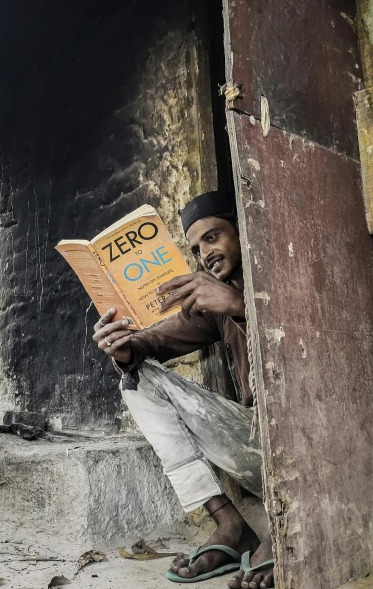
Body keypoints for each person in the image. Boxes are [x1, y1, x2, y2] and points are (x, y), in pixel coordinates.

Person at [93, 191, 275, 589]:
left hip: (310, 451)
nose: (205, 253)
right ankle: (230, 525)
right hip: (256, 446)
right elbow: (152, 343)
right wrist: (123, 347)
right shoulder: (211, 301)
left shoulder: (285, 275)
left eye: (212, 238)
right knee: (135, 378)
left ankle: (290, 522)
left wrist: (241, 304)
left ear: (244, 230)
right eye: (197, 248)